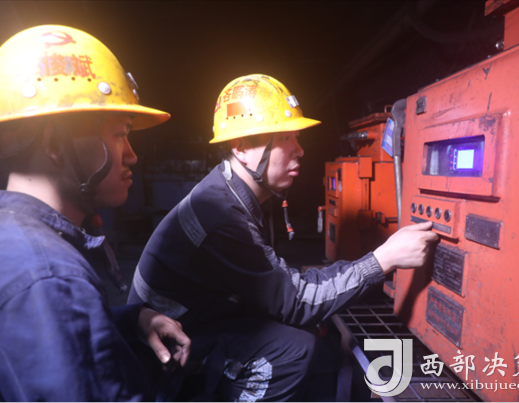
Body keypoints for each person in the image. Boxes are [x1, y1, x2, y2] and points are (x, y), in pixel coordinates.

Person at [128, 74, 438, 401]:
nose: (300, 150)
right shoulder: (221, 214)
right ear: (241, 147)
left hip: (192, 324)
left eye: (296, 137)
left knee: (304, 329)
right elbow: (295, 301)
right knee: (294, 347)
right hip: (165, 357)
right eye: (285, 137)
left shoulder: (228, 190)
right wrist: (384, 259)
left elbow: (270, 287)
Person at [0, 25, 190, 401]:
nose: (132, 155)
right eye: (120, 134)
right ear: (55, 144)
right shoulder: (50, 280)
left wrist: (128, 321)